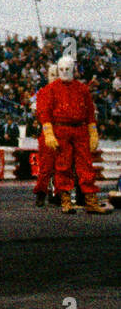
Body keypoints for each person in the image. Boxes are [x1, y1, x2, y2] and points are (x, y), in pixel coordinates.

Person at [40, 55, 109, 214]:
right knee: (63, 166)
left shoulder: (82, 89)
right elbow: (45, 113)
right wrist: (49, 133)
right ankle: (65, 201)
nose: (64, 72)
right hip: (61, 129)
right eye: (61, 69)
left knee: (86, 165)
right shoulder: (51, 89)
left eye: (67, 69)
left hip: (80, 130)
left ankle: (90, 201)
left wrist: (93, 132)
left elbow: (90, 112)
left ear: (73, 70)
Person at [32, 62, 60, 206]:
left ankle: (60, 193)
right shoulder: (43, 92)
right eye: (52, 75)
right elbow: (39, 113)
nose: (55, 78)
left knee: (63, 165)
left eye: (57, 75)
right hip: (47, 131)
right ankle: (42, 193)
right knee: (46, 166)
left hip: (62, 131)